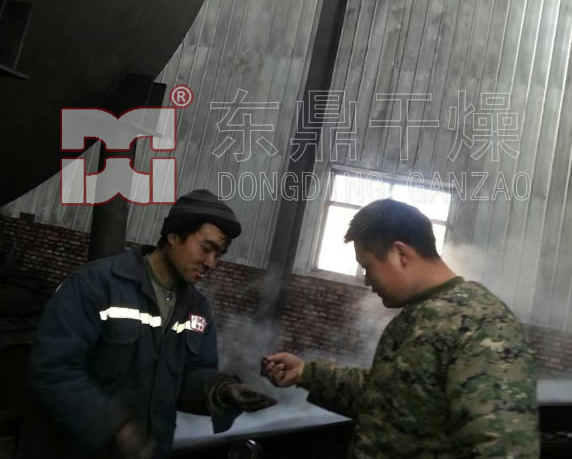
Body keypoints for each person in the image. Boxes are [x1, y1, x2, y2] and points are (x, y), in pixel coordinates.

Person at [261, 198, 540, 458]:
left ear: (400, 254)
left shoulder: (482, 325)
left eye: (368, 267)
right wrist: (306, 373)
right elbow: (388, 396)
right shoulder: (418, 314)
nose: (367, 280)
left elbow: (504, 449)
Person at [18, 189, 276, 459]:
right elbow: (53, 370)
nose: (211, 262)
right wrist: (114, 427)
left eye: (218, 254)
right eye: (206, 248)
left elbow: (187, 377)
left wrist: (222, 390)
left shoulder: (197, 309)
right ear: (173, 235)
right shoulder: (94, 286)